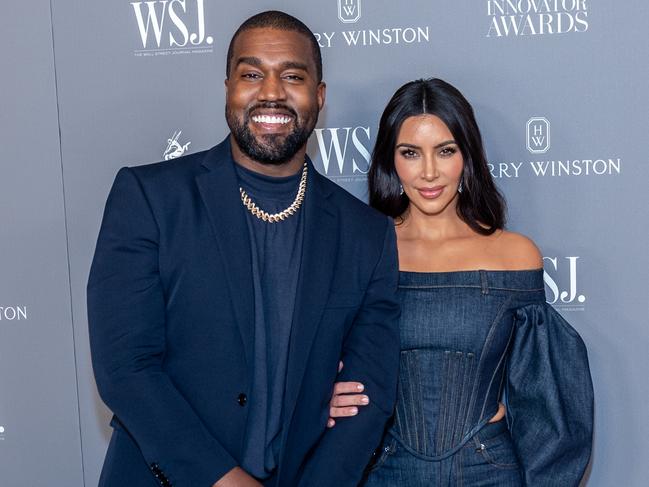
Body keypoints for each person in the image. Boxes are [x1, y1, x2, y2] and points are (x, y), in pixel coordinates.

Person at [87, 10, 400, 487]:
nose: (271, 91)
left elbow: (368, 395)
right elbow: (126, 370)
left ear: (319, 97)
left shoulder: (366, 234)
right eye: (252, 74)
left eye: (292, 76)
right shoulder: (150, 199)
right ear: (229, 88)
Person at [329, 78, 593, 486]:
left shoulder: (515, 254)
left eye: (445, 151)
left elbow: (547, 406)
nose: (429, 172)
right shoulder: (361, 251)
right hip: (383, 472)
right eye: (411, 153)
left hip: (489, 472)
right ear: (391, 162)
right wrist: (320, 399)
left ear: (466, 158)